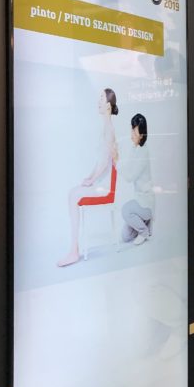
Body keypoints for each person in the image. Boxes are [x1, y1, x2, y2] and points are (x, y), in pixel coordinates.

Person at [56, 88, 119, 267]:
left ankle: (74, 251)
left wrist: (92, 180)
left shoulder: (109, 129)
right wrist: (90, 177)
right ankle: (74, 249)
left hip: (105, 188)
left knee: (73, 195)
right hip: (99, 183)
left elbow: (106, 163)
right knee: (73, 193)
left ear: (108, 105)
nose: (98, 101)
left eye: (101, 98)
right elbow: (100, 162)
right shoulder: (106, 127)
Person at [115, 112, 154, 246]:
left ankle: (144, 232)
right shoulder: (136, 148)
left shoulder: (143, 152)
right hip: (139, 200)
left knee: (125, 210)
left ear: (141, 134)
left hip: (145, 203)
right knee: (125, 237)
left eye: (134, 130)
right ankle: (146, 223)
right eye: (131, 129)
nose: (131, 134)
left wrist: (116, 162)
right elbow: (127, 167)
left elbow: (130, 177)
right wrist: (118, 160)